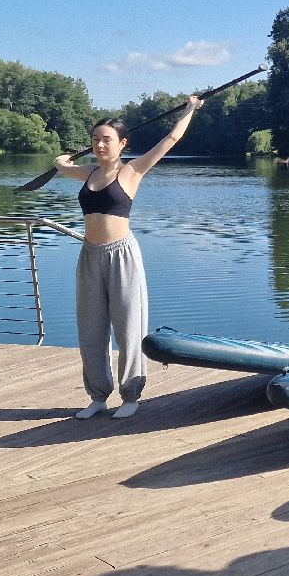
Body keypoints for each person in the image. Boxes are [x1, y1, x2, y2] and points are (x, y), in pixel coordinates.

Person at [53, 95, 203, 419]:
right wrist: (61, 161)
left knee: (128, 328)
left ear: (122, 143)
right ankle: (97, 396)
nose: (99, 144)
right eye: (95, 139)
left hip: (122, 256)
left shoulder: (133, 171)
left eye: (106, 139)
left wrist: (190, 109)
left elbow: (171, 139)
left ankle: (131, 396)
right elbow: (63, 166)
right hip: (89, 257)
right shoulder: (89, 173)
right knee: (90, 330)